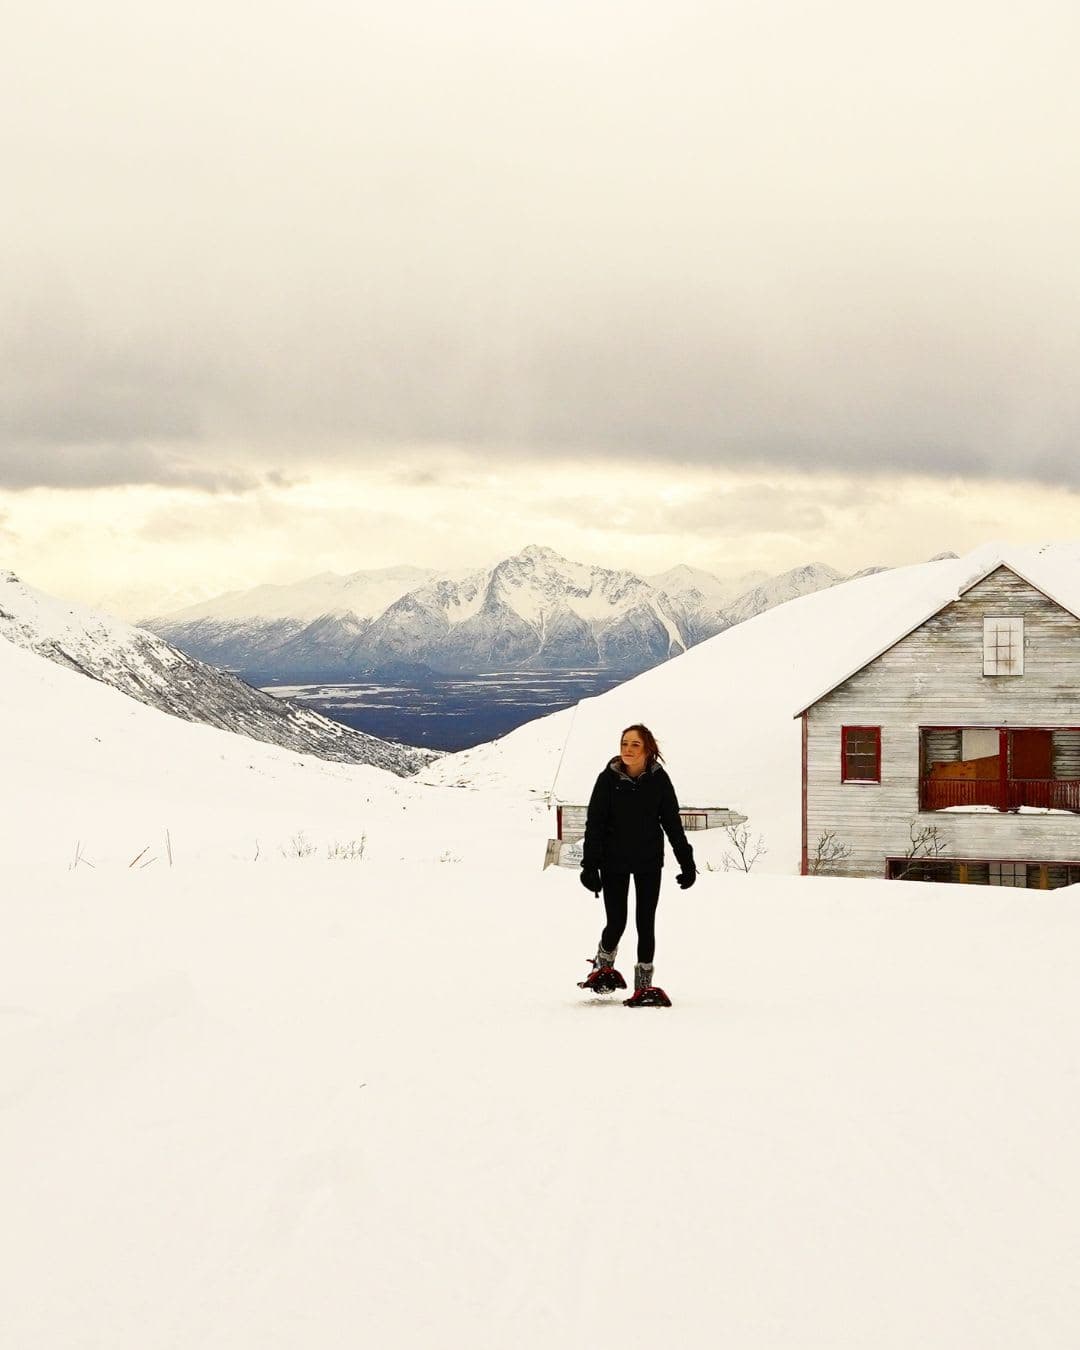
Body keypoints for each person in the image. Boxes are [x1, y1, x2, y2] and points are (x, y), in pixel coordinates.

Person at [577, 723, 696, 1007]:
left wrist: (686, 863)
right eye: (624, 744)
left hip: (648, 861)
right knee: (616, 921)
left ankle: (644, 986)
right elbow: (595, 824)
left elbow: (672, 825)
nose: (627, 750)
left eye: (634, 745)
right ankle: (602, 967)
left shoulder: (659, 780)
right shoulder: (607, 779)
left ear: (648, 749)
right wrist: (589, 866)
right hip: (613, 861)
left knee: (646, 922)